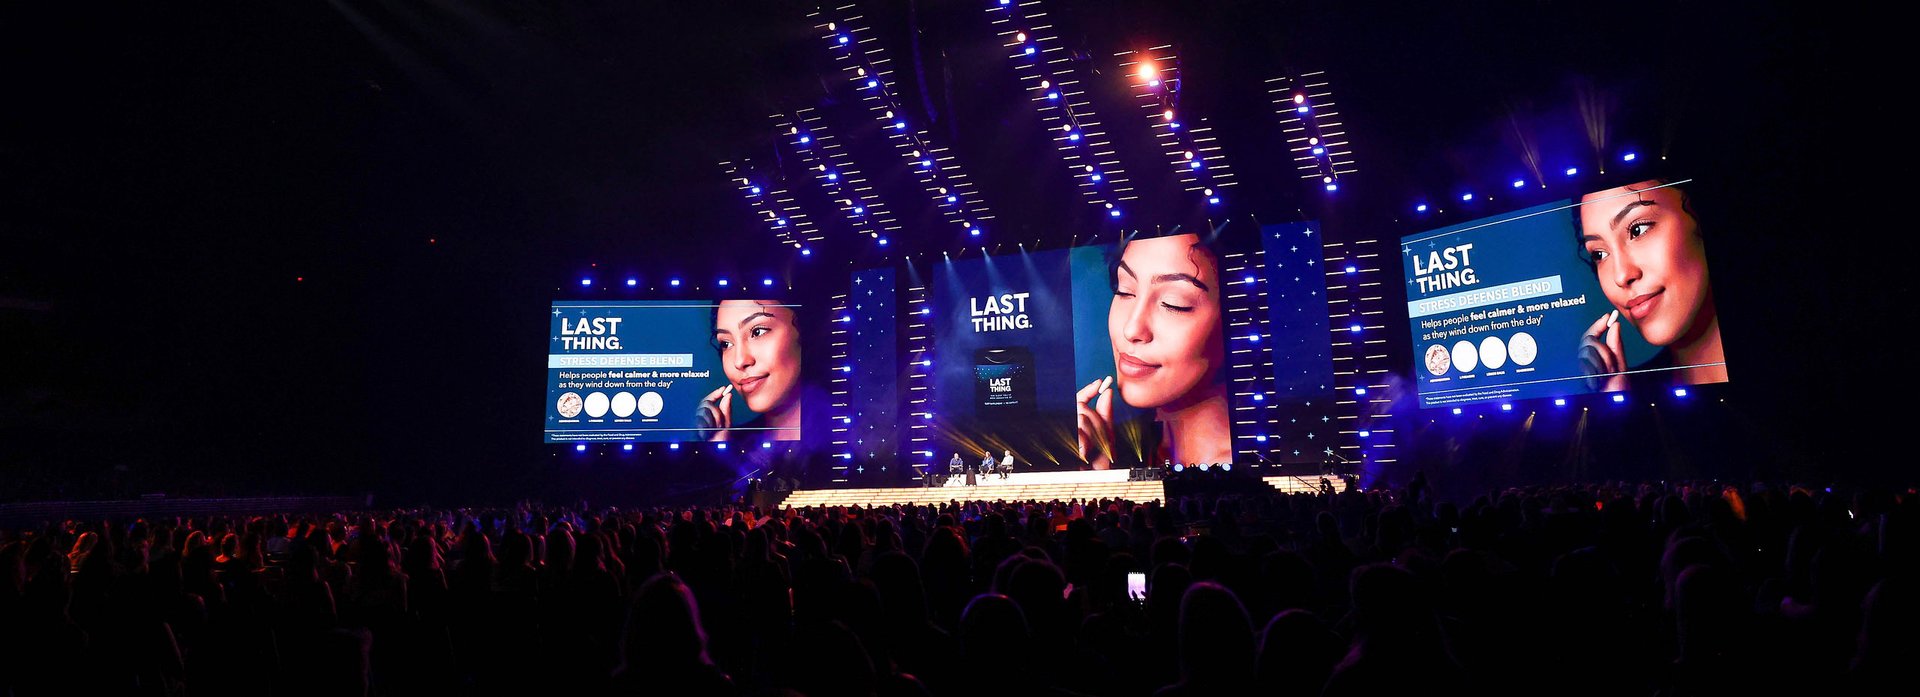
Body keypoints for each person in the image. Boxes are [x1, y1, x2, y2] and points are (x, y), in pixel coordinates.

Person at [1078, 232, 1232, 469]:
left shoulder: (1247, 467)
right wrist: (1098, 472)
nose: (1132, 329)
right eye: (1124, 291)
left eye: (1174, 304)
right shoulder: (1123, 450)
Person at [1574, 179, 1727, 391]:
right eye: (1599, 254)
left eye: (1638, 230)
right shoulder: (1628, 392)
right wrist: (1614, 399)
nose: (1621, 276)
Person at [699, 300, 802, 441]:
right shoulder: (727, 442)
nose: (739, 361)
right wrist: (715, 446)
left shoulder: (833, 435)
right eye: (726, 344)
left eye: (757, 332)